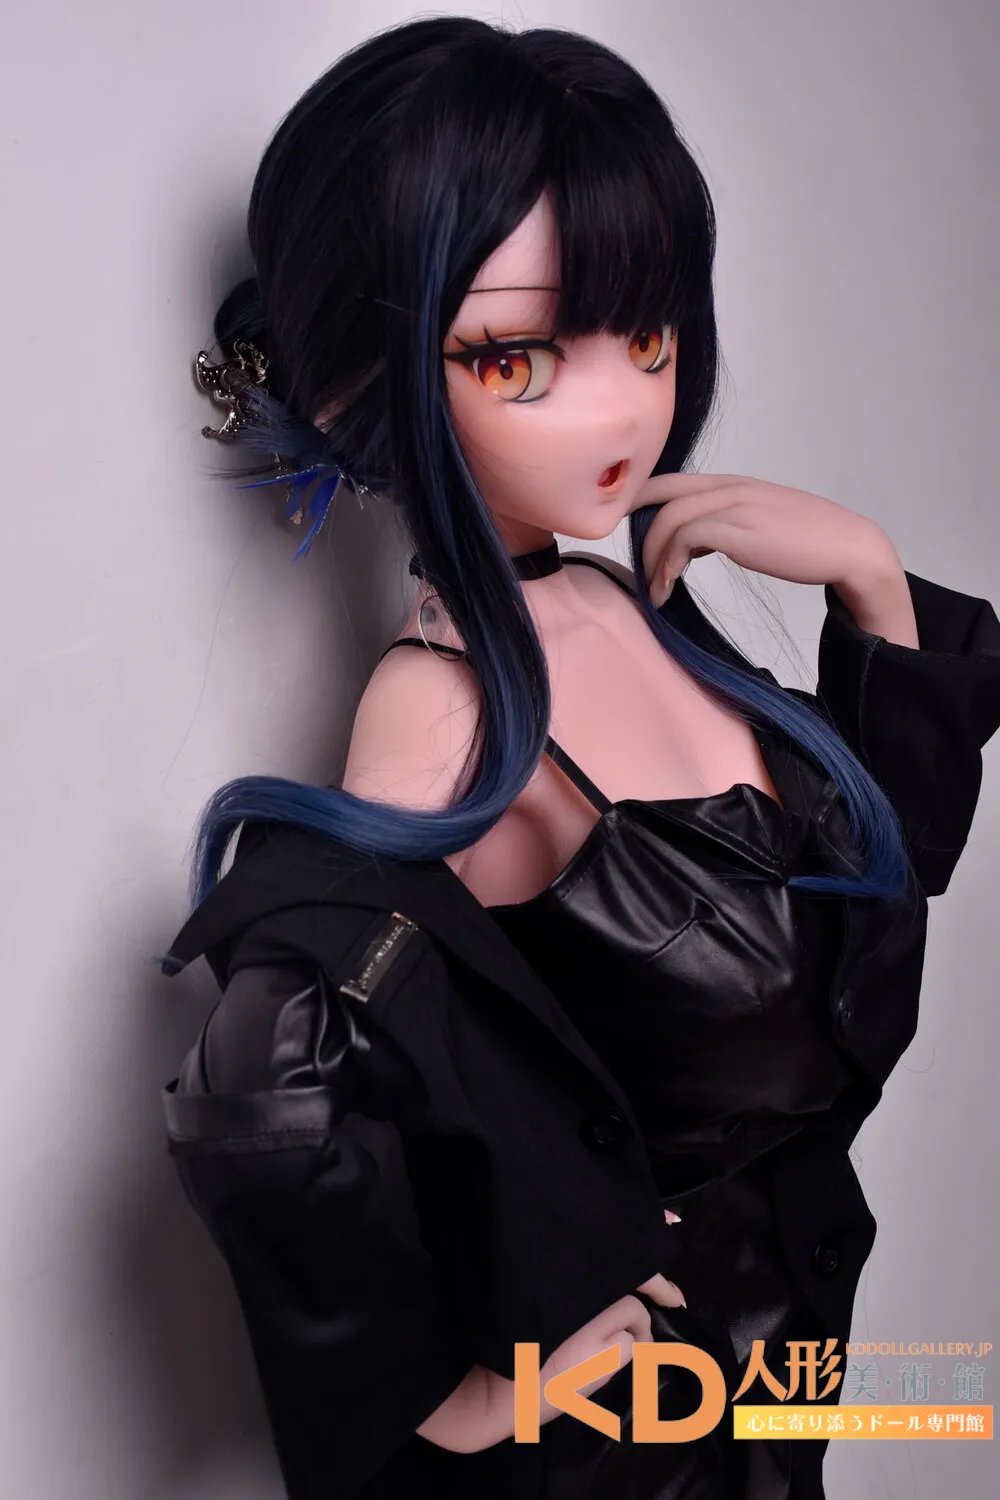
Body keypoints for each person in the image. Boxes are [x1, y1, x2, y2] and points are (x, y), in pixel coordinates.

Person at [159, 17, 1000, 1500]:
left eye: (649, 334)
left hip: (781, 1375)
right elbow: (264, 1077)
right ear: (361, 380)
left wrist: (873, 585)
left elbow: (863, 914)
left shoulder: (634, 611)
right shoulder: (447, 710)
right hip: (621, 1445)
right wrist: (447, 1393)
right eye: (521, 356)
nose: (623, 406)